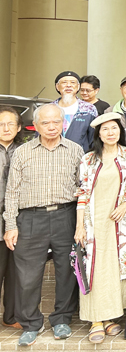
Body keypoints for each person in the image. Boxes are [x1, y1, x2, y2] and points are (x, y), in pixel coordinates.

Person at [3, 104, 82, 346]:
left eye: (56, 122)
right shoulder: (23, 152)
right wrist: (10, 224)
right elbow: (12, 191)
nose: (51, 126)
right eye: (45, 123)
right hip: (29, 219)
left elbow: (85, 188)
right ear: (35, 126)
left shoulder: (75, 150)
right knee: (27, 275)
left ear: (63, 124)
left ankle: (61, 319)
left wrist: (82, 224)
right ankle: (30, 323)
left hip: (65, 215)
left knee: (66, 271)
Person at [74, 112, 126, 343]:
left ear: (121, 131)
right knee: (95, 269)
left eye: (114, 128)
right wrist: (80, 225)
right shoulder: (88, 159)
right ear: (98, 134)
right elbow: (82, 193)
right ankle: (96, 320)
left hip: (120, 222)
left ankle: (111, 317)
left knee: (117, 269)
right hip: (94, 222)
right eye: (105, 129)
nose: (111, 133)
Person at [0, 106, 21, 330]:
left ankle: (11, 316)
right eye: (1, 124)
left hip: (17, 220)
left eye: (10, 124)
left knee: (15, 273)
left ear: (18, 128)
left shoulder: (25, 151)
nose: (5, 128)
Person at [53, 70, 97, 152]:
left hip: (80, 157)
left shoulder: (89, 109)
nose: (68, 85)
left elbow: (93, 139)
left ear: (78, 86)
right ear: (57, 86)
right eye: (64, 82)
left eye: (73, 82)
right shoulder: (49, 109)